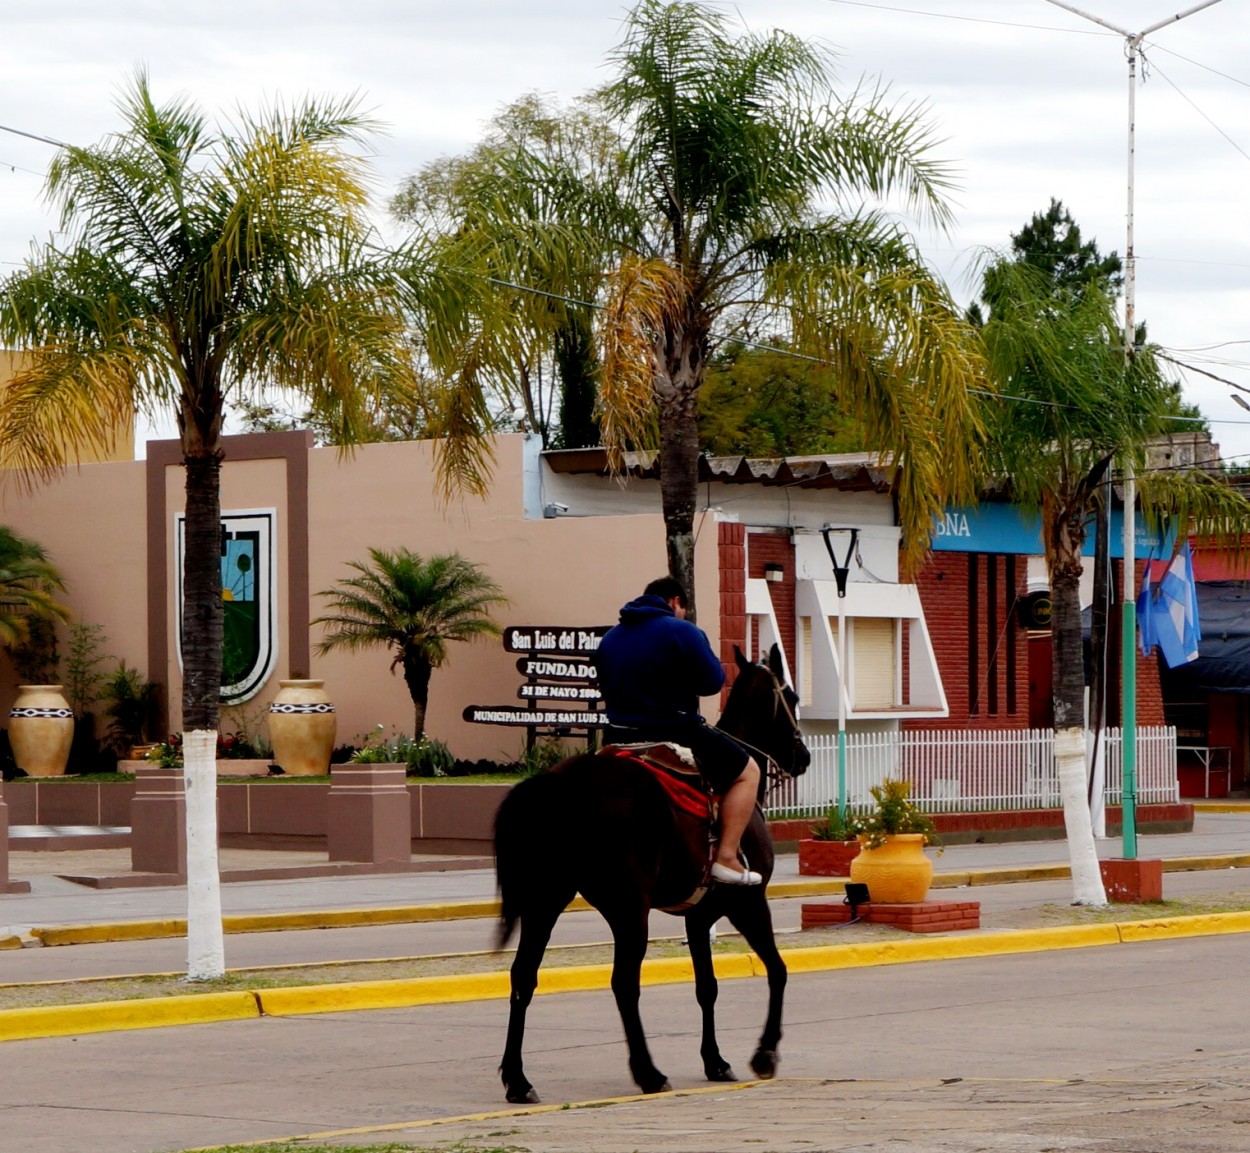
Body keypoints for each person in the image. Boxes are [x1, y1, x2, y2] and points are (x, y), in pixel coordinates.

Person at [594, 576, 763, 885]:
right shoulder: (682, 630)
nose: (683, 614)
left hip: (616, 737)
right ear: (675, 602)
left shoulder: (611, 637)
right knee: (748, 772)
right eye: (683, 608)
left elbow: (604, 684)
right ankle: (726, 857)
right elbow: (712, 682)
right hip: (673, 732)